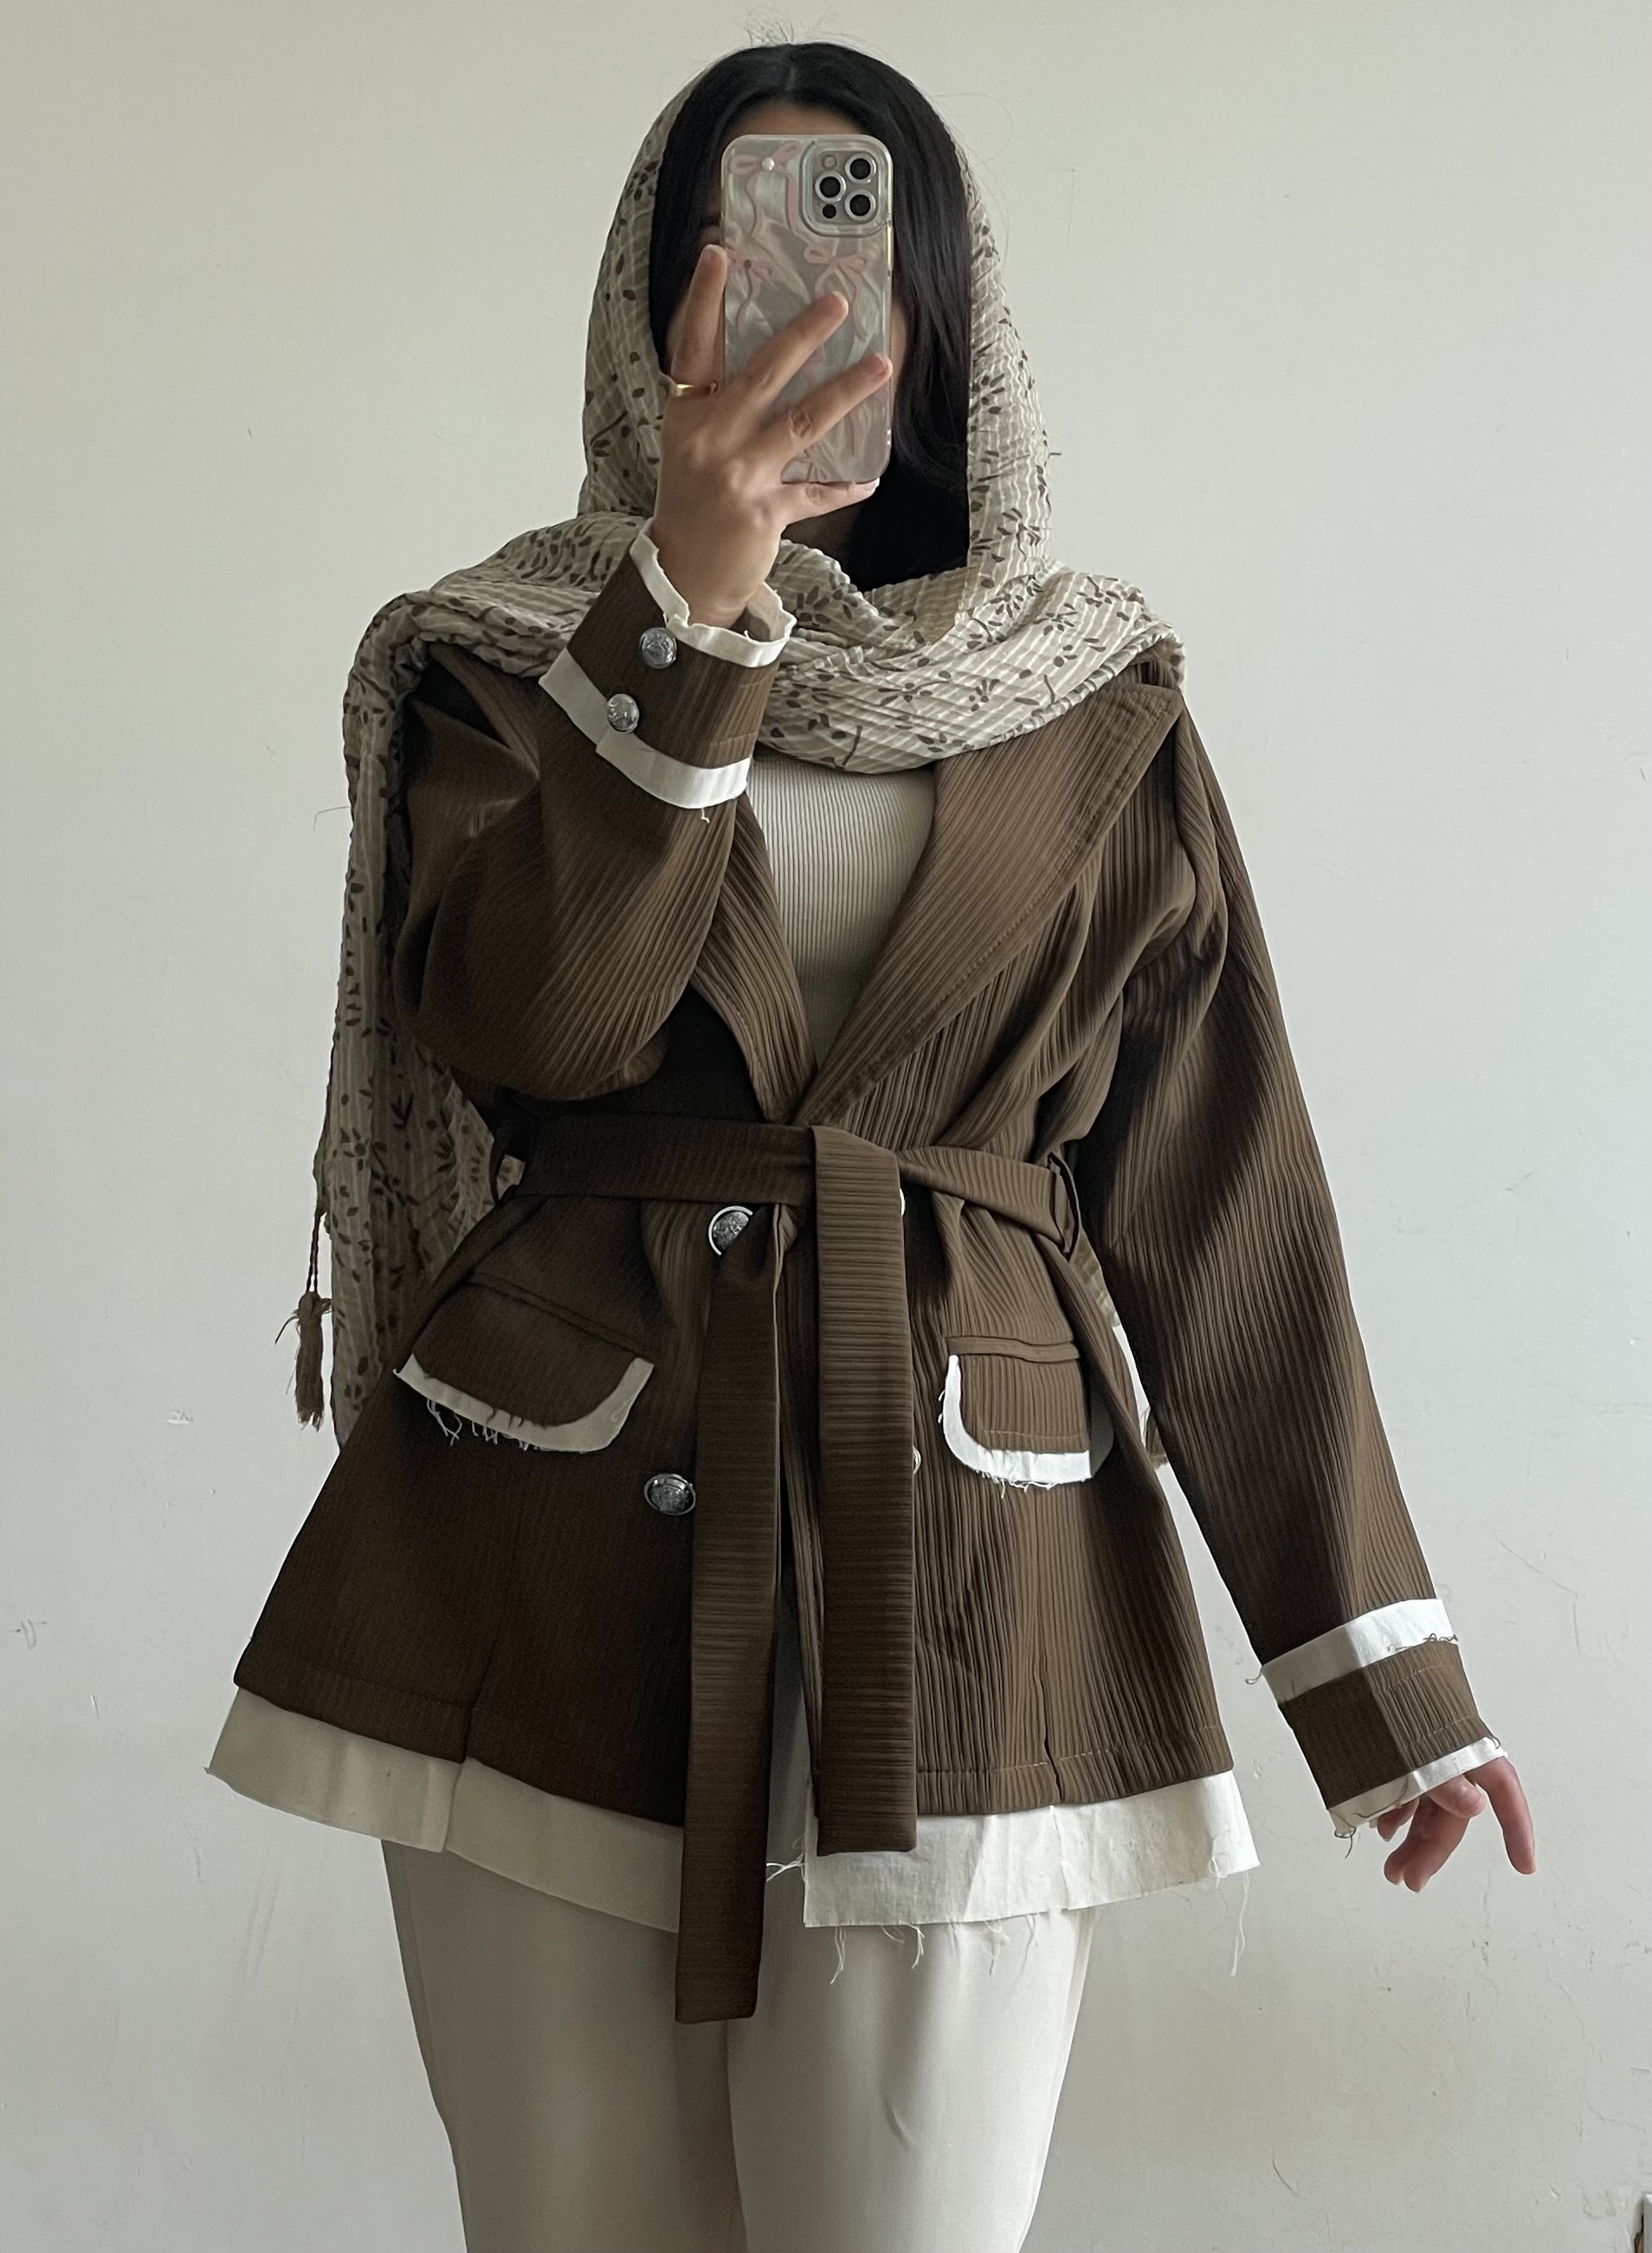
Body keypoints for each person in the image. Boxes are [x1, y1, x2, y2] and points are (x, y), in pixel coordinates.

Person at [205, 42, 1536, 2253]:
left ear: (944, 307)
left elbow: (1220, 1195)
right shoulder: (499, 659)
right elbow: (542, 1023)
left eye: (860, 240)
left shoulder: (1094, 697)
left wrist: (1384, 1681)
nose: (810, 299)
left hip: (974, 1573)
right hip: (541, 1558)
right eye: (742, 247)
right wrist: (684, 614)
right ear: (652, 305)